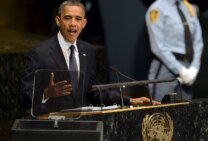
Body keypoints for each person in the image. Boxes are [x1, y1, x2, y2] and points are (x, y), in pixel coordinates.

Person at [19, 0, 156, 115]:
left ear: (84, 23)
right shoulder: (40, 53)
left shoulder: (87, 51)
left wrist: (129, 101)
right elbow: (23, 98)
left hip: (81, 127)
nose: (73, 23)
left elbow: (93, 92)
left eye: (78, 19)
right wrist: (46, 93)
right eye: (67, 18)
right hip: (51, 127)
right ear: (58, 20)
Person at [145, 0, 204, 101]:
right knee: (162, 111)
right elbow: (158, 46)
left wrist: (194, 68)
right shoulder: (157, 9)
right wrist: (181, 70)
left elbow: (198, 41)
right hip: (165, 67)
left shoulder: (188, 7)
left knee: (186, 112)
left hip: (188, 67)